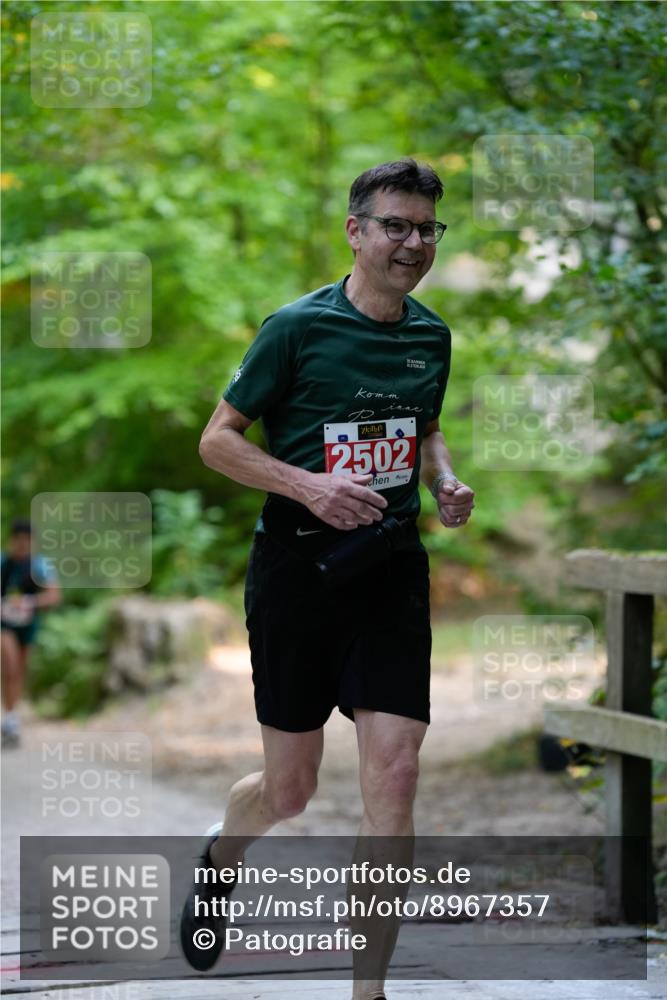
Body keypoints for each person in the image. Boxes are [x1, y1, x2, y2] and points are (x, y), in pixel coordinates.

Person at [181, 158, 475, 998]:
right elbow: (218, 440)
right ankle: (221, 854)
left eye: (425, 229)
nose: (412, 243)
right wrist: (307, 483)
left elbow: (423, 429)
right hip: (297, 574)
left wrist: (441, 480)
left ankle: (367, 990)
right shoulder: (295, 328)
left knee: (396, 773)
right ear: (355, 230)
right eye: (395, 226)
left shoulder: (430, 335)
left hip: (389, 569)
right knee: (291, 789)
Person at [1, 518, 60, 747]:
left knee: (19, 671)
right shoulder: (3, 564)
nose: (23, 545)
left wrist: (30, 602)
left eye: (27, 541)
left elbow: (54, 595)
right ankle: (10, 716)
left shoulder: (40, 565)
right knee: (10, 664)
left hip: (27, 623)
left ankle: (11, 716)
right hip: (4, 624)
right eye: (19, 541)